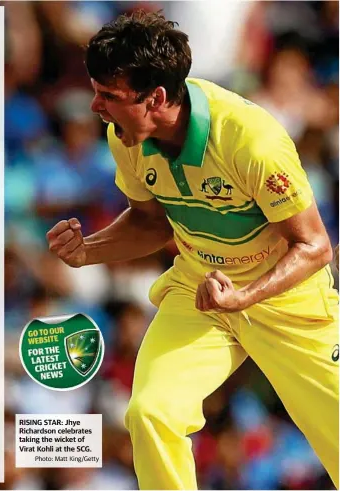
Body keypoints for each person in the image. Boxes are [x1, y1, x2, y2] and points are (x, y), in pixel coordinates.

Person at [45, 10, 339, 490]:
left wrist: (245, 296)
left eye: (109, 96)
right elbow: (149, 222)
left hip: (286, 303)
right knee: (151, 412)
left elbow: (314, 245)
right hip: (200, 292)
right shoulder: (127, 135)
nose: (96, 106)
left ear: (156, 97)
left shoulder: (251, 139)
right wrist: (88, 251)